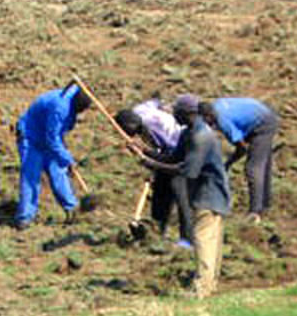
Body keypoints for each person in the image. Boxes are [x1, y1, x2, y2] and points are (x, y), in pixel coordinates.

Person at [139, 96, 231, 298]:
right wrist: (145, 153)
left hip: (210, 194)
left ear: (188, 113)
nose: (174, 116)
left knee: (203, 239)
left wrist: (152, 165)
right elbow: (173, 158)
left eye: (177, 113)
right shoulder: (188, 133)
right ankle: (209, 284)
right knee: (209, 239)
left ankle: (202, 288)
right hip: (203, 193)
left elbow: (187, 170)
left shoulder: (201, 137)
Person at [115, 98, 192, 246]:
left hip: (182, 149)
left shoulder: (155, 127)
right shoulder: (140, 110)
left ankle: (187, 239)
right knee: (160, 190)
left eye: (130, 132)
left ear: (134, 125)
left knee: (179, 190)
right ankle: (158, 230)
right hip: (168, 148)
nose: (131, 135)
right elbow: (155, 102)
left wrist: (148, 157)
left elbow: (171, 155)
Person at [14, 83, 91, 230]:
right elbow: (53, 139)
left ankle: (72, 209)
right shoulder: (59, 108)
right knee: (31, 177)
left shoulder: (78, 93)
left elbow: (57, 136)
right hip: (31, 138)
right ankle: (25, 217)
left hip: (49, 137)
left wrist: (64, 157)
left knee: (59, 173)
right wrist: (67, 158)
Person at [209, 96, 278, 222]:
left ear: (209, 118)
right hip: (263, 112)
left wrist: (227, 164)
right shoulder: (215, 106)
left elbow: (242, 149)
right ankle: (265, 204)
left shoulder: (223, 122)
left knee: (253, 168)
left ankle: (255, 212)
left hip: (263, 124)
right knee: (263, 164)